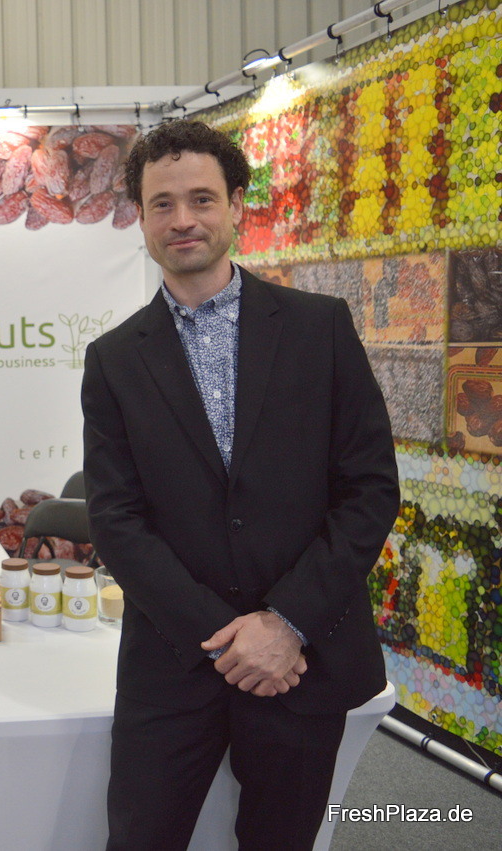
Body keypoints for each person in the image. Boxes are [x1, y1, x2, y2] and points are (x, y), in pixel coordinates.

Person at [80, 120, 398, 850]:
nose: (183, 219)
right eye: (162, 204)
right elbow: (116, 519)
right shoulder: (114, 360)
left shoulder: (319, 328)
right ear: (140, 219)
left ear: (236, 207)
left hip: (303, 658)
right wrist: (226, 641)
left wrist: (283, 623)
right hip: (173, 662)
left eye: (201, 199)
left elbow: (370, 488)